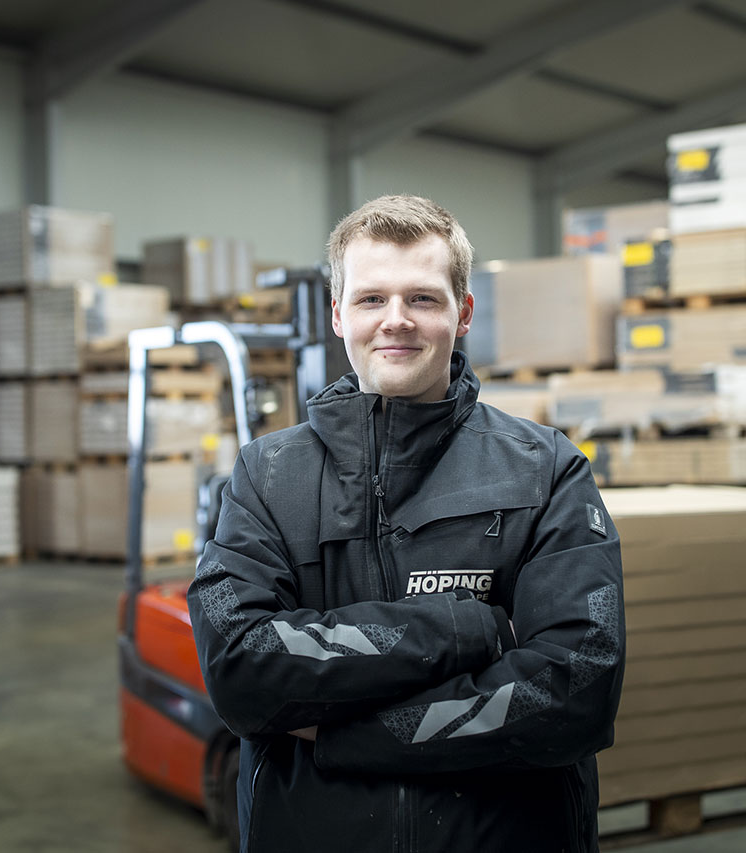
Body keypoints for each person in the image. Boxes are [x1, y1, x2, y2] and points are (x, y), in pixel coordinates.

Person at [187, 195, 625, 852]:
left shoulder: (546, 469)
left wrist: (343, 734)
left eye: (422, 298)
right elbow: (242, 673)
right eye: (371, 300)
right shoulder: (267, 474)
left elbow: (575, 689)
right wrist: (464, 627)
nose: (396, 321)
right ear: (338, 315)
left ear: (463, 312)